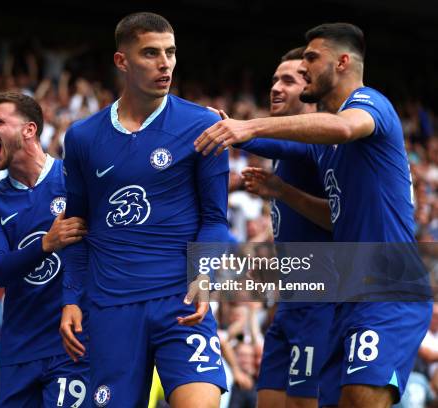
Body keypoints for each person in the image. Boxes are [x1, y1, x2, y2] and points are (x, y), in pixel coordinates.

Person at [195, 22, 432, 407]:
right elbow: (334, 217)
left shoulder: (371, 104)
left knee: (358, 399)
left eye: (310, 58)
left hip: (387, 284)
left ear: (342, 62)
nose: (304, 67)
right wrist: (282, 191)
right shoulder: (323, 152)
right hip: (347, 292)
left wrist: (247, 124)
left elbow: (340, 127)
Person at [60, 12, 229, 408]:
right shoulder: (83, 136)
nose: (165, 63)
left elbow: (215, 218)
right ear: (122, 61)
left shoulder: (202, 124)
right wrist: (70, 297)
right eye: (151, 53)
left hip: (180, 301)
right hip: (111, 306)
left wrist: (205, 276)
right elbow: (75, 227)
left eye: (170, 52)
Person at [221, 47, 334, 408]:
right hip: (289, 303)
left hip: (320, 302)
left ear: (311, 87)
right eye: (273, 80)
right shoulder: (284, 156)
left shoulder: (320, 144)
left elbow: (336, 218)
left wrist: (230, 128)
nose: (276, 88)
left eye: (288, 80)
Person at [0, 92, 89, 407]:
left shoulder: (74, 179)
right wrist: (46, 244)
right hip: (18, 348)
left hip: (71, 343)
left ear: (29, 130)